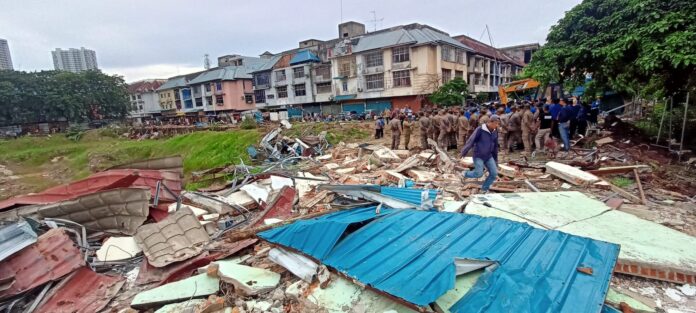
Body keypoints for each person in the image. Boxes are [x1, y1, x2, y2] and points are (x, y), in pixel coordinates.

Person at [460, 115, 501, 193]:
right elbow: (471, 140)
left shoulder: (495, 131)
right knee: (479, 173)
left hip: (488, 156)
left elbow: (495, 145)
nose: (497, 125)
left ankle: (484, 189)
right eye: (496, 123)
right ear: (490, 122)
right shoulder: (480, 129)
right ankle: (464, 173)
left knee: (494, 173)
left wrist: (495, 160)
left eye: (498, 124)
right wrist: (464, 151)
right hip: (478, 155)